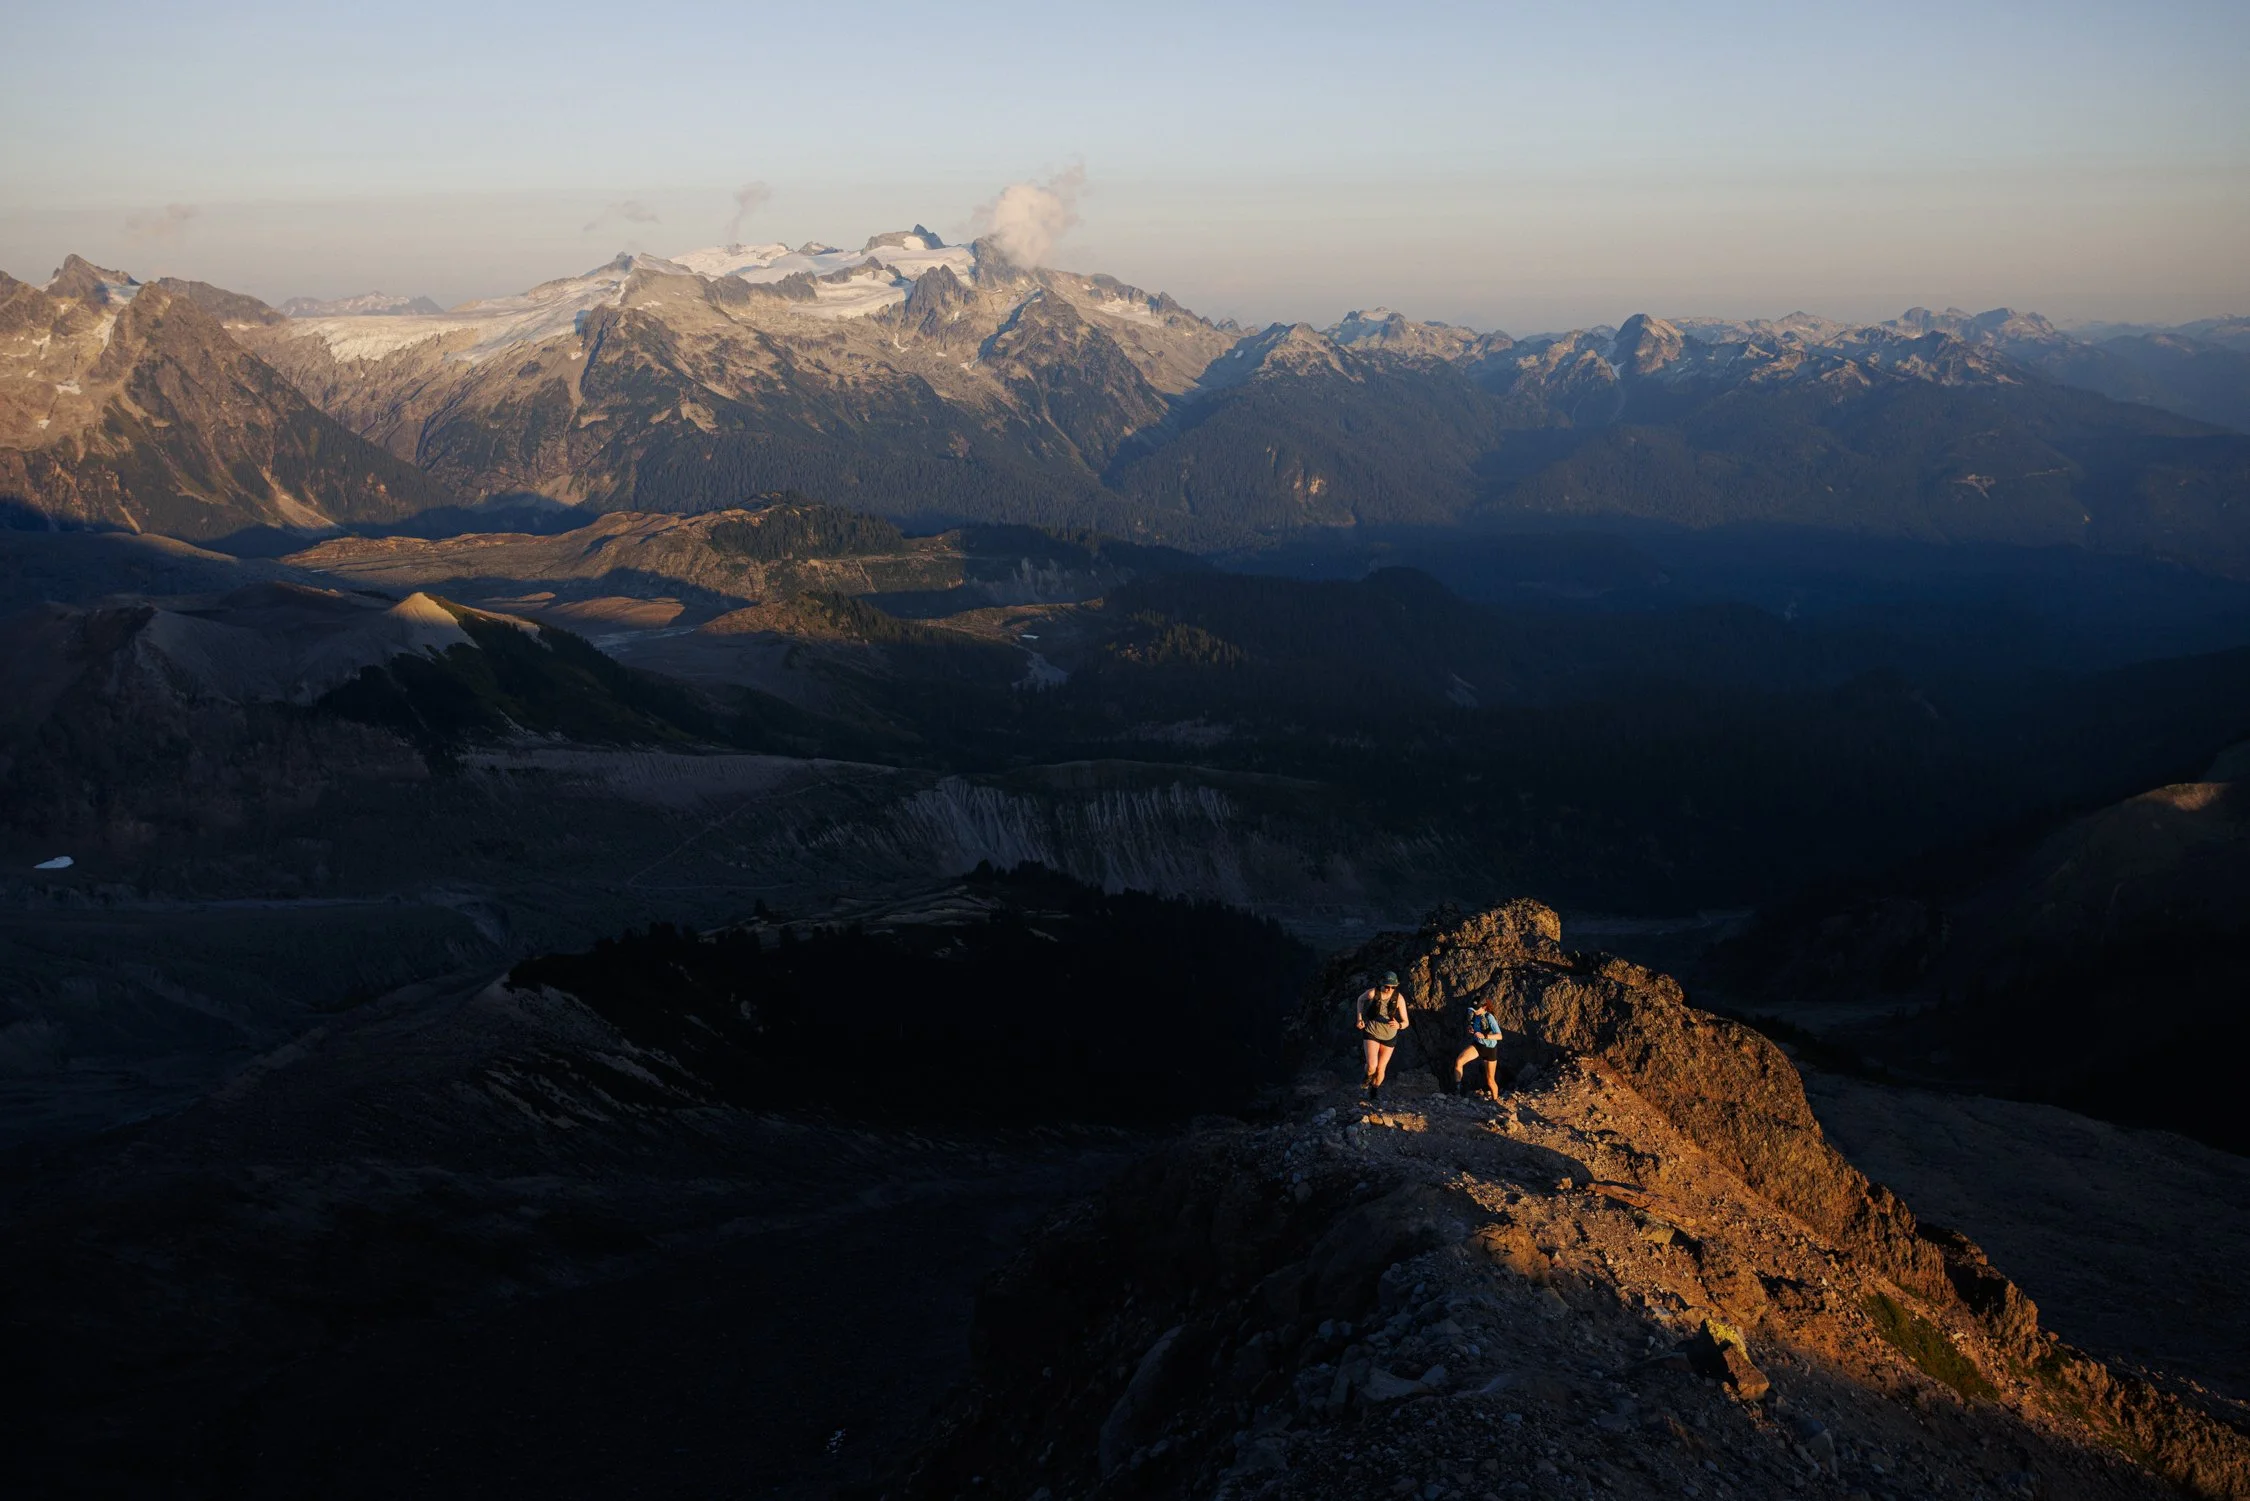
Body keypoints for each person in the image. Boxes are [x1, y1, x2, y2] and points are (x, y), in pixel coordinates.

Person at [1355, 970, 1410, 1102]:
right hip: (1372, 1032)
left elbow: (1406, 1022)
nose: (1389, 989)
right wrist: (1359, 1018)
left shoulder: (1399, 999)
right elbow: (1360, 1000)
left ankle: (1374, 1090)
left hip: (1389, 1037)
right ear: (1381, 984)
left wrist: (1399, 1025)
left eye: (1393, 987)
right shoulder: (1373, 993)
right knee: (1372, 1066)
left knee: (1380, 1069)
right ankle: (1367, 1078)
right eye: (1387, 986)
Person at [1452, 995, 1505, 1102]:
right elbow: (1473, 1027)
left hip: (1490, 1050)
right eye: (1473, 1008)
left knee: (1490, 1080)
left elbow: (1500, 1036)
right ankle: (1457, 1091)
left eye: (1476, 1009)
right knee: (1459, 1061)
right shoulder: (1473, 1014)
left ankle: (1495, 1101)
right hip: (1478, 1045)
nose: (1474, 1011)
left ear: (1484, 1007)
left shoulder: (1489, 1017)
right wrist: (1471, 1029)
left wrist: (1485, 1036)